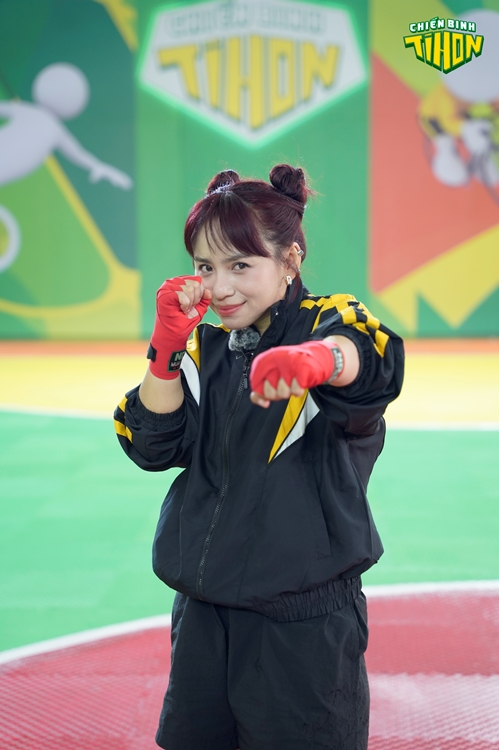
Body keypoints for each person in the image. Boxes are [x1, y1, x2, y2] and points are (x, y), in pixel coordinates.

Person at [114, 164, 404, 750]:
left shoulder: (326, 320)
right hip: (203, 615)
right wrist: (166, 348)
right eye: (205, 267)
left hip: (303, 626)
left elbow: (372, 358)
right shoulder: (207, 345)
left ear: (290, 259)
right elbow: (150, 444)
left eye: (240, 265)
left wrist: (319, 361)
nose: (219, 288)